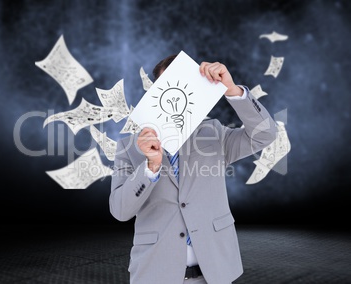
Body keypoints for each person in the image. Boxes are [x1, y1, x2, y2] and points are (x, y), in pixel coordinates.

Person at [109, 54, 277, 284]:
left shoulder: (214, 132)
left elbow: (265, 134)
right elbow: (120, 211)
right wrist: (150, 167)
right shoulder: (129, 147)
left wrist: (232, 90)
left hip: (215, 273)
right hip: (155, 274)